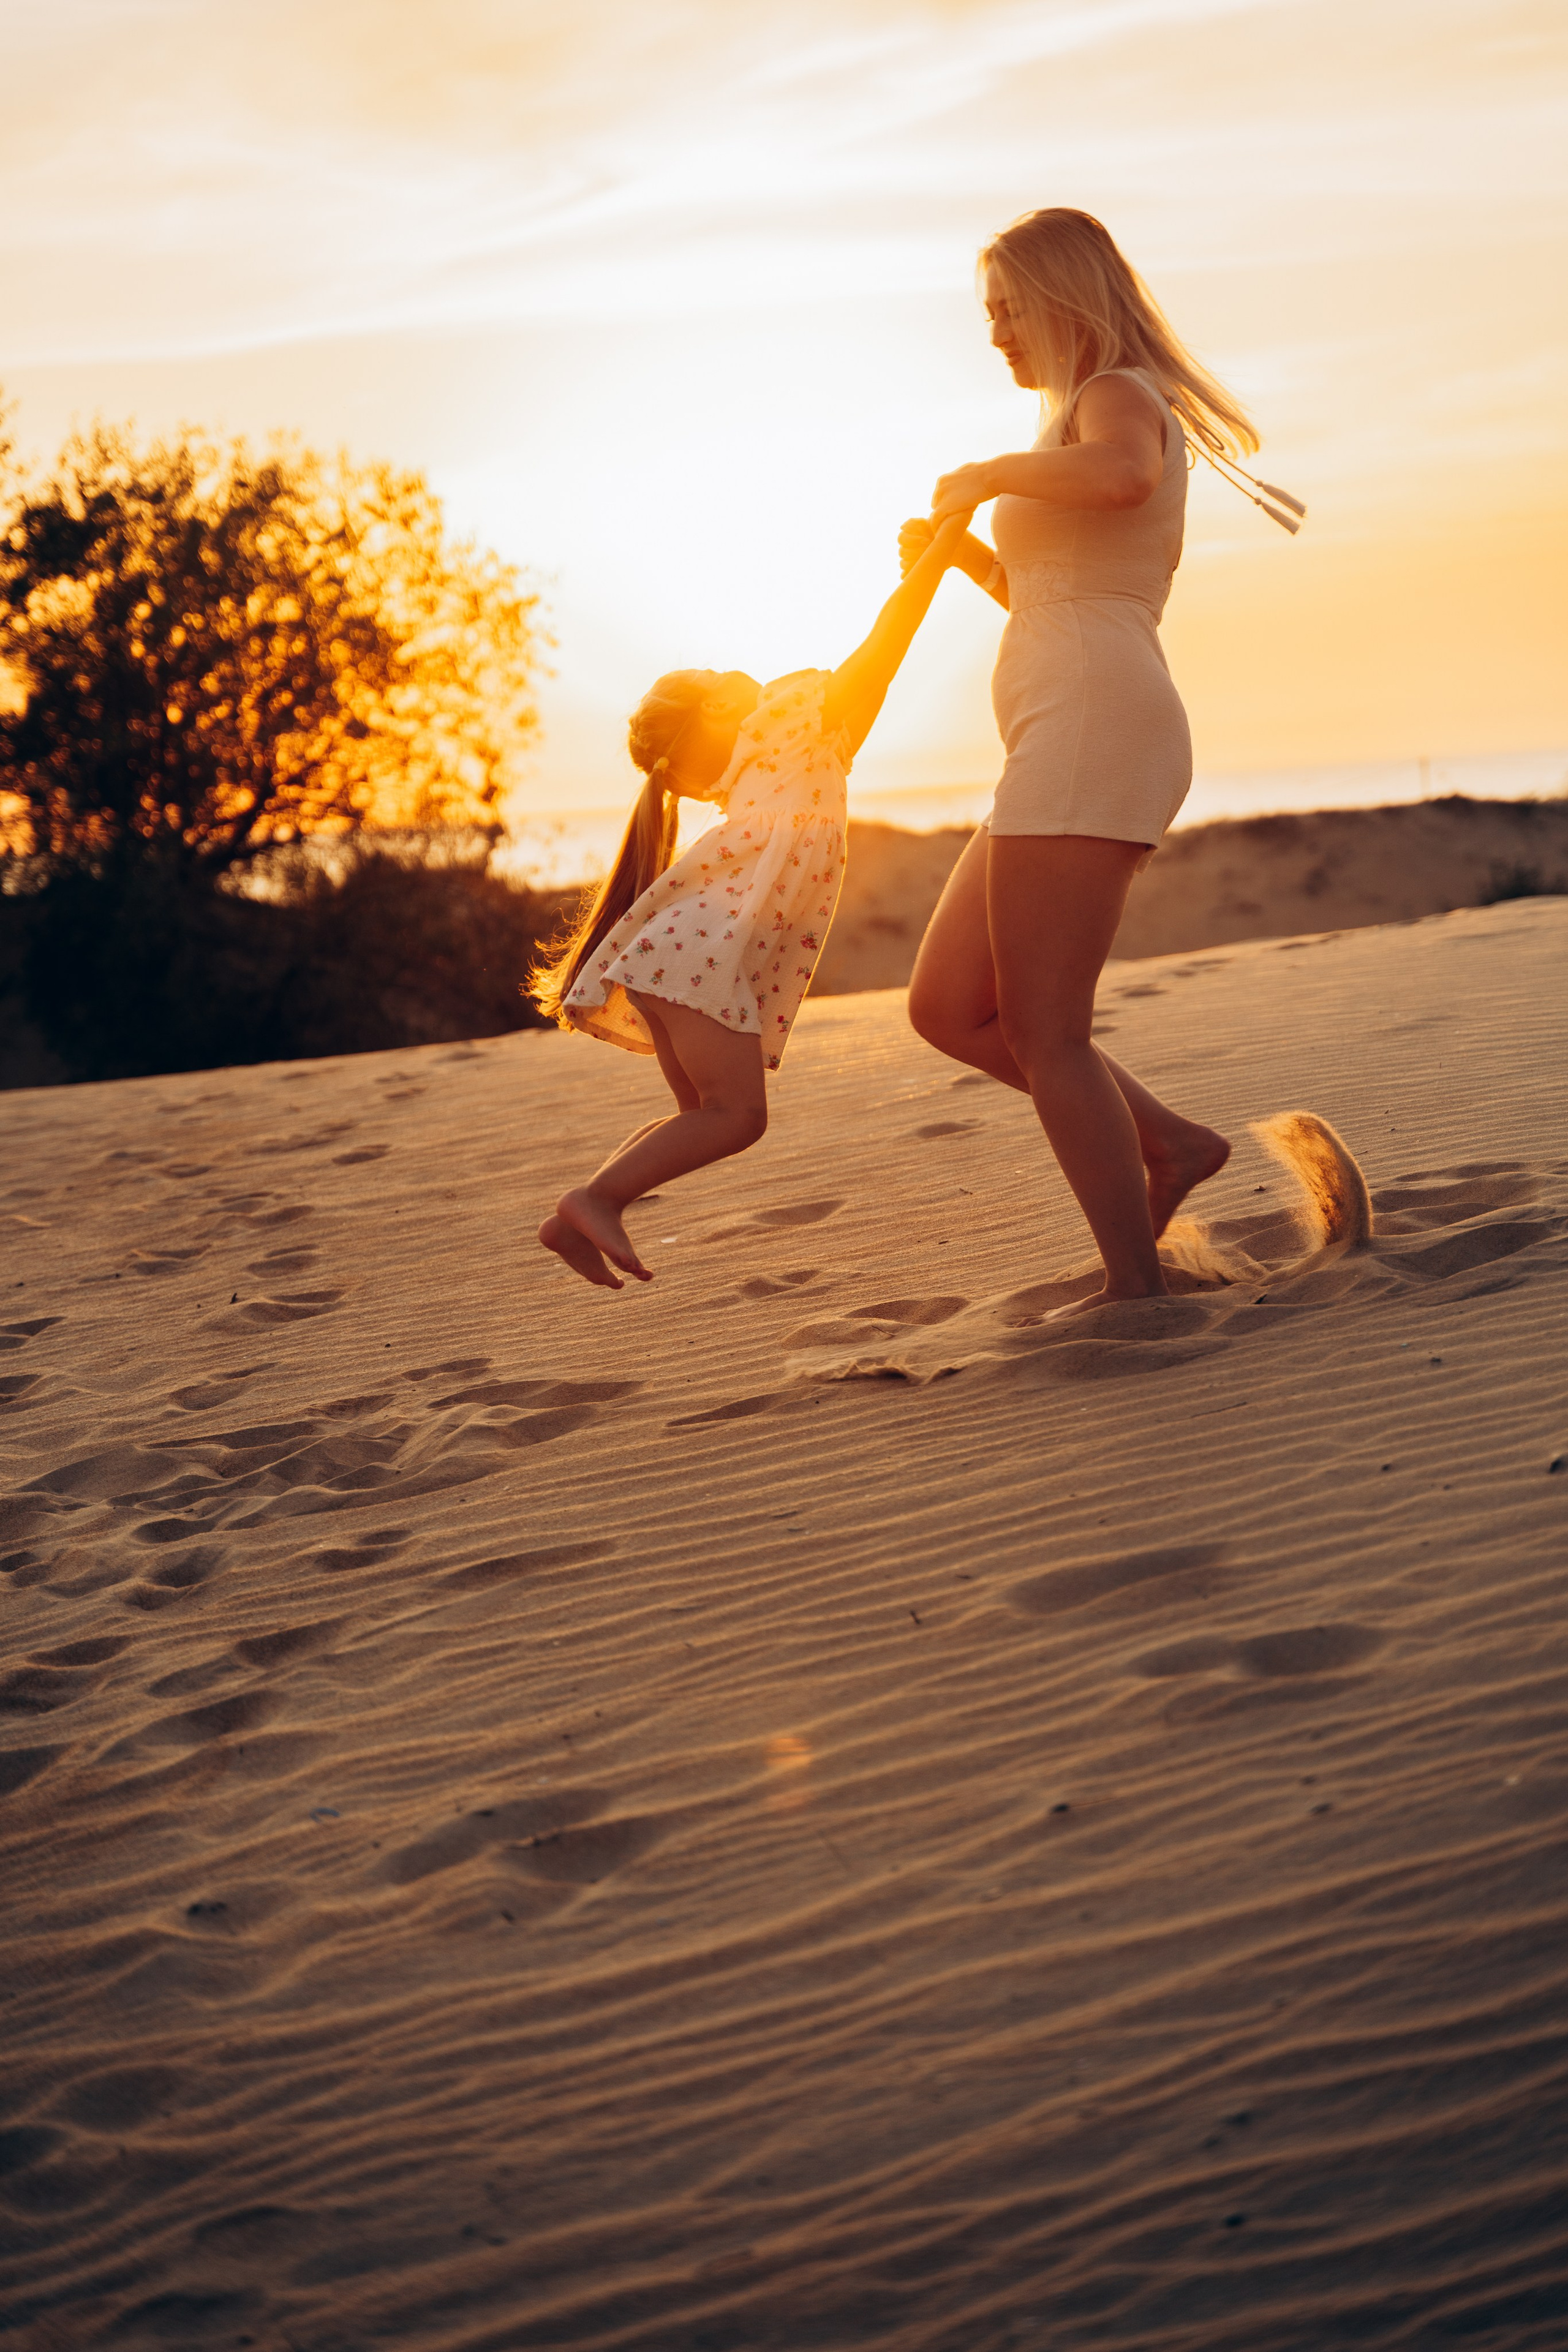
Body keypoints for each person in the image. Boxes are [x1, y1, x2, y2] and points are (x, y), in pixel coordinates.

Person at [898, 206, 1275, 1310]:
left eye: (1010, 312)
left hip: (1095, 721)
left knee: (1044, 1029)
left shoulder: (1115, 399)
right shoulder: (1075, 415)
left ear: (1063, 303)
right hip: (1066, 720)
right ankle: (1170, 1147)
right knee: (945, 1005)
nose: (997, 336)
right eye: (990, 316)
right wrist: (968, 550)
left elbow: (1117, 480)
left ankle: (1134, 1290)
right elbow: (1057, 590)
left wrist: (984, 473)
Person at [529, 510, 975, 1289]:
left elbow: (875, 670)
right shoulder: (796, 722)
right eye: (717, 679)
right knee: (735, 1118)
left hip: (670, 956)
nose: (738, 675)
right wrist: (940, 552)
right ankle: (593, 1199)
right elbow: (889, 643)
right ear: (718, 714)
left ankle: (581, 1212)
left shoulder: (763, 767)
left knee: (702, 1118)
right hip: (690, 958)